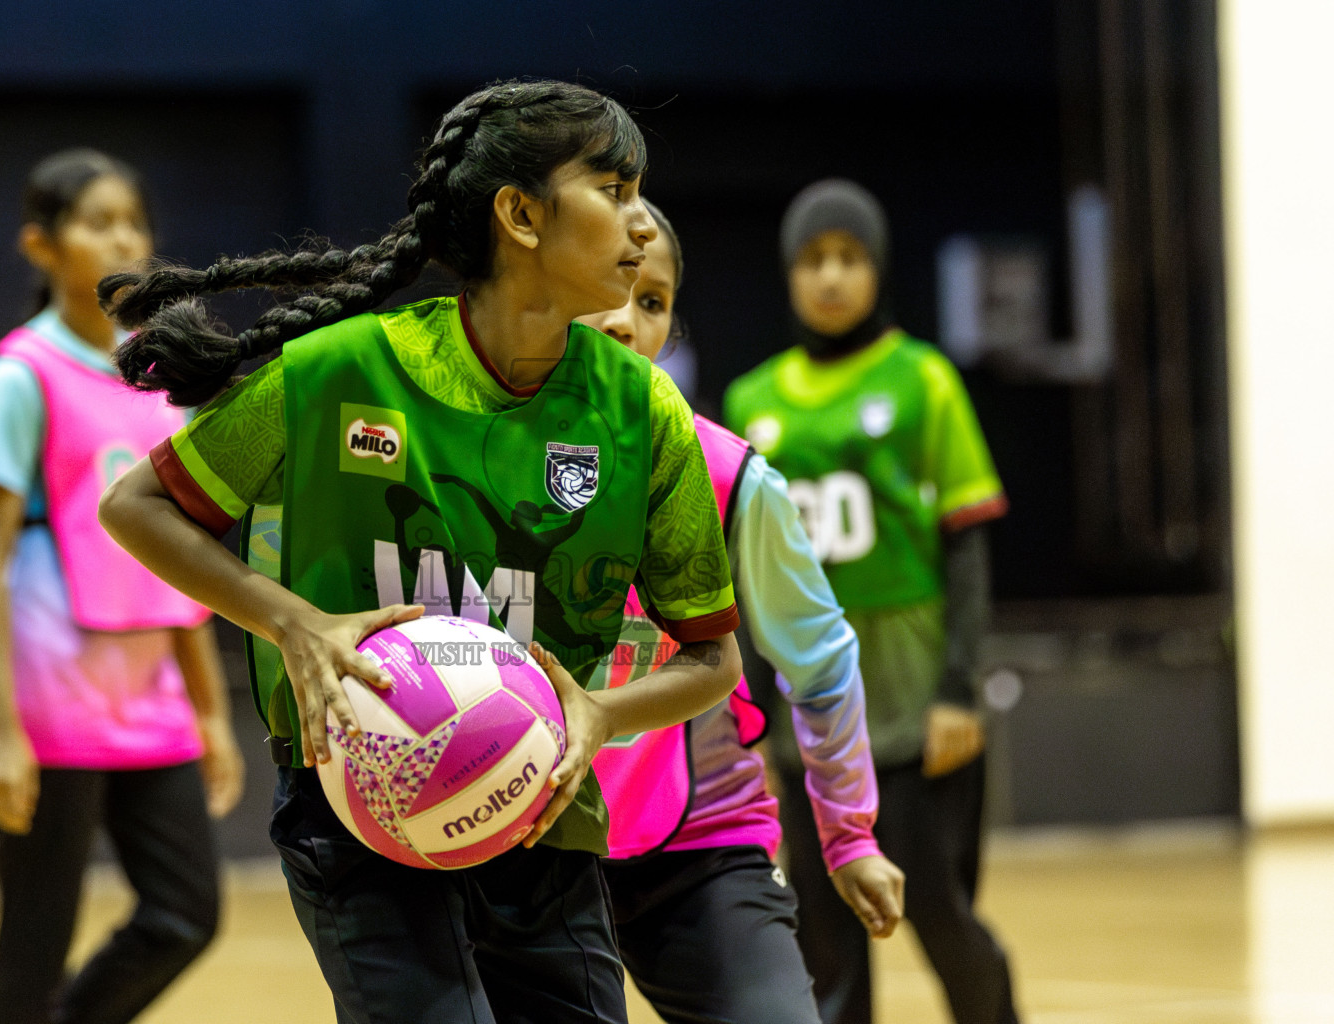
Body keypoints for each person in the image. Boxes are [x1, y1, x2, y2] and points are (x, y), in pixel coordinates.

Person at [95, 80, 742, 1024]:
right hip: (352, 806)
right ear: (520, 215)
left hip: (542, 812)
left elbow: (711, 659)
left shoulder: (644, 414)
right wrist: (296, 624)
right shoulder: (339, 371)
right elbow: (138, 506)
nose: (642, 223)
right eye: (613, 188)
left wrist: (602, 713)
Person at [581, 200, 905, 1024]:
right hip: (525, 846)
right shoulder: (471, 459)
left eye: (651, 301)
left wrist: (849, 835)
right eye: (607, 287)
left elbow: (820, 661)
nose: (625, 321)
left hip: (702, 844)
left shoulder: (729, 477)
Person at [725, 179, 1018, 1024]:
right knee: (824, 941)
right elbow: (745, 577)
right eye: (812, 260)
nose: (829, 277)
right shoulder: (752, 401)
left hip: (912, 703)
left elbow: (965, 547)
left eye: (847, 259)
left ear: (876, 269)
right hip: (809, 715)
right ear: (787, 274)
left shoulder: (923, 380)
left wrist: (960, 692)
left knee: (943, 920)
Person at [0, 149, 244, 1024]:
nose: (124, 237)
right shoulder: (18, 376)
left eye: (133, 220)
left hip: (151, 694)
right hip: (52, 700)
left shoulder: (161, 378)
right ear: (41, 246)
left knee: (186, 914)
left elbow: (178, 553)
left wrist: (210, 711)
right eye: (98, 221)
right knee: (34, 942)